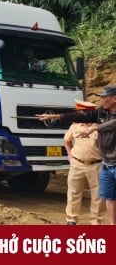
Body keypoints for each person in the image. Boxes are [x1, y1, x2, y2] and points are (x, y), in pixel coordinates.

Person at [38, 84, 116, 224]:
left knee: (101, 196)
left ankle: (97, 222)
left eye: (105, 97)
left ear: (114, 99)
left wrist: (94, 128)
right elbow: (77, 118)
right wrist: (55, 116)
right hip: (99, 163)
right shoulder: (101, 113)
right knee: (106, 197)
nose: (102, 100)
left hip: (102, 163)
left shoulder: (98, 124)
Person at [63, 100, 105, 225]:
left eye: (82, 113)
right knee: (73, 192)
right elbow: (66, 140)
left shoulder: (100, 126)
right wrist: (69, 155)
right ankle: (71, 219)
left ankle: (96, 221)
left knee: (98, 195)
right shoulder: (75, 126)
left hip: (97, 164)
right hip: (77, 164)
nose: (80, 115)